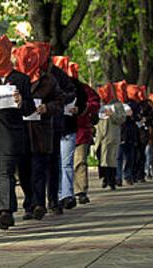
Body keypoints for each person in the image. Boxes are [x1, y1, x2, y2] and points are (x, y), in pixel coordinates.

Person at [0, 35, 36, 230]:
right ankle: (5, 206)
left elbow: (29, 109)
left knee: (5, 172)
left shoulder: (20, 79)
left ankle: (5, 211)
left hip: (10, 134)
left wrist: (21, 102)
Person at [13, 42, 65, 220]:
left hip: (40, 131)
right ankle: (29, 202)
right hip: (20, 130)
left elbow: (60, 101)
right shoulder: (14, 79)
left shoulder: (48, 80)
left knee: (39, 168)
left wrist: (47, 107)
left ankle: (38, 204)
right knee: (23, 170)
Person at [52, 56, 87, 209]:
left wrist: (78, 109)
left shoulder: (76, 85)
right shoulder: (48, 82)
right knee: (56, 163)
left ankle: (66, 194)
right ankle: (58, 194)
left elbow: (84, 102)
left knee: (66, 163)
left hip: (68, 128)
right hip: (53, 128)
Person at [70, 63, 100, 204]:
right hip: (61, 130)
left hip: (81, 130)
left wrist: (85, 108)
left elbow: (94, 102)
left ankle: (81, 190)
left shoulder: (83, 88)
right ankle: (65, 192)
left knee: (79, 161)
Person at [95, 83, 126, 190]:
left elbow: (122, 119)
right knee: (101, 157)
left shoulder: (117, 105)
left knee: (111, 158)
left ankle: (111, 181)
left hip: (112, 136)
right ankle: (104, 177)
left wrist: (112, 114)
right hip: (100, 136)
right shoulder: (98, 104)